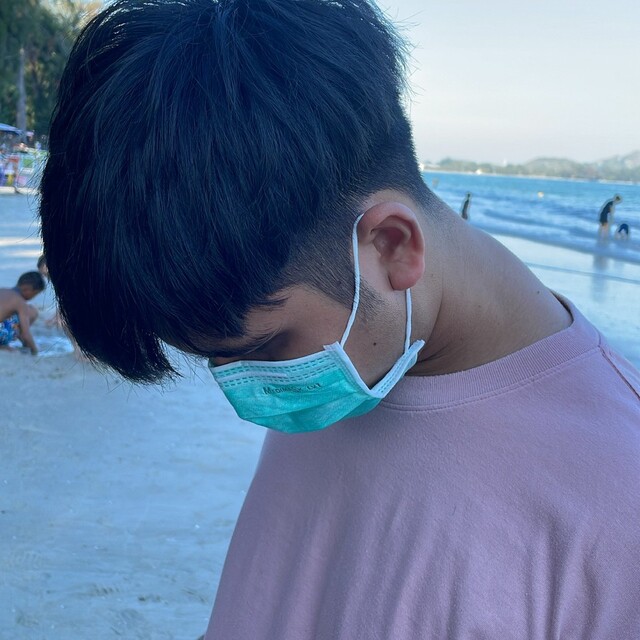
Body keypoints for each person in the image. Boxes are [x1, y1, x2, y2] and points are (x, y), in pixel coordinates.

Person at [39, 0, 640, 638]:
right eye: (216, 360)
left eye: (262, 349)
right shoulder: (356, 352)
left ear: (390, 246)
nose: (244, 389)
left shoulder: (617, 498)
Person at [0, 271, 46, 354]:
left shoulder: (2, 290)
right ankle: (3, 346)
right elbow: (25, 334)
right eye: (34, 294)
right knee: (32, 312)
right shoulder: (20, 302)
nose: (33, 297)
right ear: (27, 289)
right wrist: (35, 351)